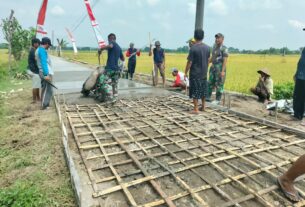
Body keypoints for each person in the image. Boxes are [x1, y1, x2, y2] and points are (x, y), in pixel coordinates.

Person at [184, 29, 210, 114]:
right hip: (204, 73)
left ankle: (196, 109)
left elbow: (190, 62)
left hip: (195, 73)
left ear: (195, 37)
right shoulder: (207, 47)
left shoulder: (193, 48)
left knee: (195, 91)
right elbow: (208, 60)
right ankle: (203, 106)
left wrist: (185, 72)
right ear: (203, 36)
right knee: (203, 90)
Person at [100, 33, 125, 102]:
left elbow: (110, 46)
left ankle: (109, 95)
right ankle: (114, 98)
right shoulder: (119, 48)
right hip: (116, 70)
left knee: (102, 81)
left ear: (110, 39)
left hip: (110, 69)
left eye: (109, 40)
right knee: (114, 85)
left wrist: (101, 49)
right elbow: (123, 58)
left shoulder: (112, 43)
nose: (108, 41)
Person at [207, 33, 229, 104]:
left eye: (218, 38)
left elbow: (225, 60)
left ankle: (217, 100)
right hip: (213, 67)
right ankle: (207, 97)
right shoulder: (214, 47)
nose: (217, 39)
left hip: (220, 68)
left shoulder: (224, 48)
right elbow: (212, 57)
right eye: (216, 38)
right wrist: (207, 63)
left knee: (219, 84)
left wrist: (222, 71)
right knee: (210, 82)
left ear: (222, 39)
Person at [36, 37, 53, 110]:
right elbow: (43, 63)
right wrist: (46, 74)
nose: (49, 47)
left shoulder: (40, 50)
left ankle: (46, 104)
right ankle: (44, 105)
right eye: (49, 45)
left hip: (42, 71)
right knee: (47, 89)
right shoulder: (42, 50)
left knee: (46, 88)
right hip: (43, 72)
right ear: (46, 44)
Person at [292, 48, 305, 122]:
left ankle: (298, 115)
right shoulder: (302, 57)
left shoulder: (303, 57)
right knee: (301, 97)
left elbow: (300, 65)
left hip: (301, 79)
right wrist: (296, 74)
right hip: (300, 77)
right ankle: (299, 114)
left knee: (298, 97)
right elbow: (299, 66)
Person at [28, 38, 41, 103]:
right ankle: (34, 99)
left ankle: (38, 97)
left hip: (34, 70)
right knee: (35, 85)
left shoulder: (34, 50)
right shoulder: (33, 51)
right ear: (34, 44)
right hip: (33, 70)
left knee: (37, 84)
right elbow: (34, 61)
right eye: (38, 43)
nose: (38, 44)